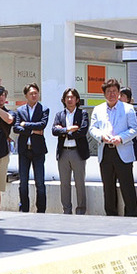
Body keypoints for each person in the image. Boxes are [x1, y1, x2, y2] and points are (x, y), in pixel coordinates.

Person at [89, 78, 137, 217]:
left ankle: (132, 216)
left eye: (114, 91)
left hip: (122, 151)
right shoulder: (98, 109)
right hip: (105, 152)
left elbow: (135, 129)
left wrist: (121, 138)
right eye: (109, 91)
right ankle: (111, 216)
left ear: (118, 93)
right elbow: (92, 128)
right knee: (108, 187)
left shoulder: (128, 108)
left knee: (127, 186)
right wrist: (101, 136)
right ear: (104, 94)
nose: (112, 94)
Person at [51, 87, 89, 215]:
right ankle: (66, 210)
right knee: (64, 183)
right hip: (63, 152)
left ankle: (81, 210)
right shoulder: (59, 115)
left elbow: (82, 131)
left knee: (80, 183)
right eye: (67, 97)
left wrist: (65, 132)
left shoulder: (82, 113)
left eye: (72, 97)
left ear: (77, 99)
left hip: (78, 151)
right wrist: (68, 129)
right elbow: (54, 131)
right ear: (63, 99)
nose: (69, 99)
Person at [14, 82, 49, 213]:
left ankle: (41, 210)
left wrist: (26, 125)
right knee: (23, 183)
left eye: (36, 93)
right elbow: (16, 128)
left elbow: (42, 125)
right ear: (26, 96)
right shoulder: (20, 110)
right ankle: (24, 209)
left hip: (38, 150)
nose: (34, 95)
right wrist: (33, 130)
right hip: (24, 150)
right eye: (31, 93)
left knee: (40, 183)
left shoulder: (44, 109)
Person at [120, 88, 137, 162]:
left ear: (128, 99)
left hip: (128, 145)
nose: (119, 97)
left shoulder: (134, 113)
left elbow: (134, 130)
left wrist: (120, 138)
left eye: (122, 95)